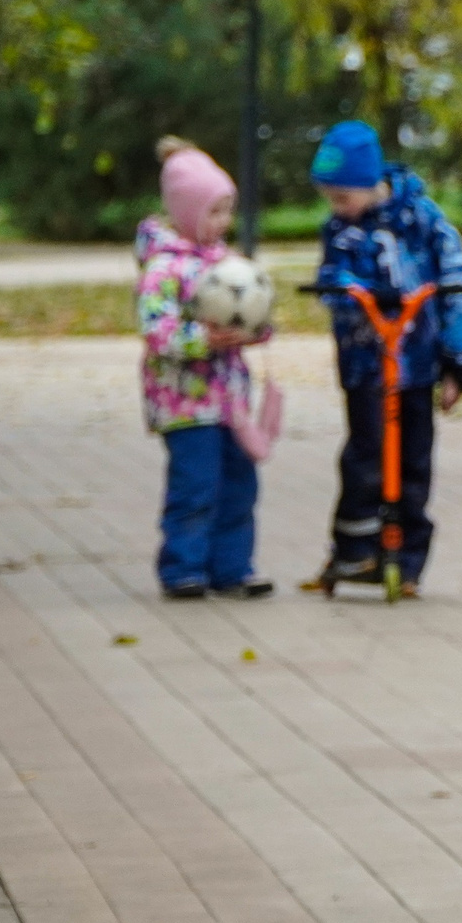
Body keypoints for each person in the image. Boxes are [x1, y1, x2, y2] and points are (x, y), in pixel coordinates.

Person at [304, 119, 462, 599]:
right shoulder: (340, 231)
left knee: (415, 461)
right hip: (366, 367)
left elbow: (456, 284)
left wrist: (457, 359)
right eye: (331, 199)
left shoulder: (424, 220)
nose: (338, 208)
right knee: (365, 456)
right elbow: (331, 280)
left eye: (343, 196)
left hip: (417, 365)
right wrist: (350, 293)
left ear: (369, 182)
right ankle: (355, 551)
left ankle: (408, 559)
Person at [136, 137, 274, 600]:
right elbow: (156, 331)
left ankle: (233, 568)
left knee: (239, 484)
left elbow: (257, 313)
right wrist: (202, 340)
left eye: (227, 210)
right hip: (184, 401)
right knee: (196, 485)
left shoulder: (230, 264)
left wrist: (256, 330)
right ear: (186, 211)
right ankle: (183, 568)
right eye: (213, 211)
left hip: (230, 400)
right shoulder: (163, 268)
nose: (223, 222)